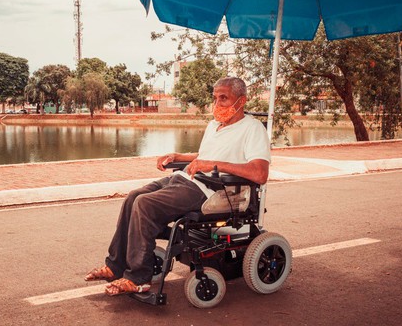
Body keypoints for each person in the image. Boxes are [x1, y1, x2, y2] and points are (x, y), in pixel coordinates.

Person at [84, 76, 271, 296]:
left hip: (212, 190)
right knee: (133, 198)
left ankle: (138, 278)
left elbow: (260, 173)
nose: (217, 104)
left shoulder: (253, 128)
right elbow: (204, 156)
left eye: (224, 98)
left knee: (145, 205)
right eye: (215, 98)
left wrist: (212, 165)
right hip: (186, 179)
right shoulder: (214, 126)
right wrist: (177, 155)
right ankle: (115, 266)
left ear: (241, 101)